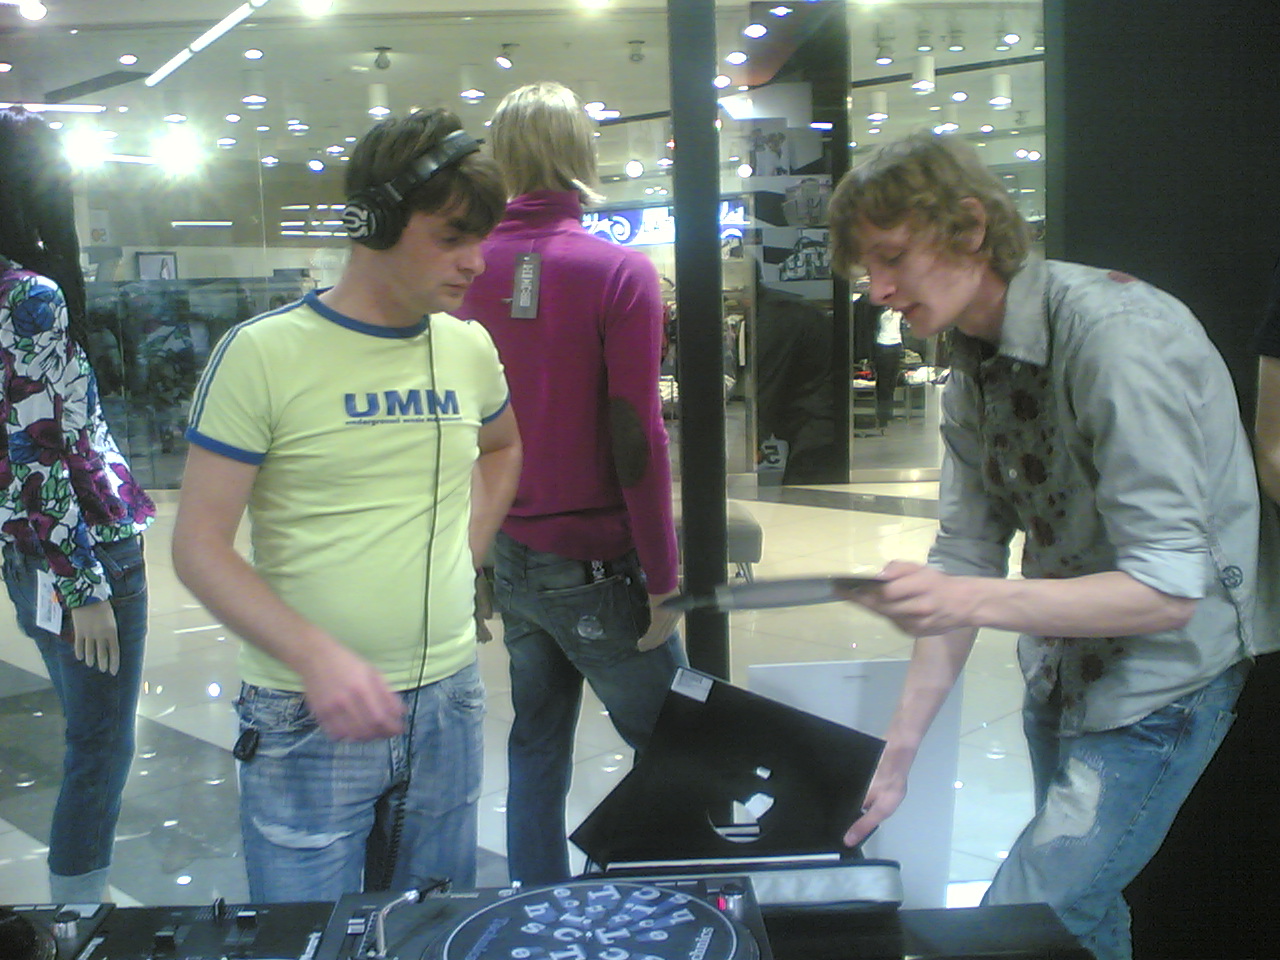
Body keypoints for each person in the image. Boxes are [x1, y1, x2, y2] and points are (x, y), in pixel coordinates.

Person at [826, 131, 1268, 960]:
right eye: (867, 268)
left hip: (1165, 686)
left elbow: (1169, 590)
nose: (879, 290)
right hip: (1065, 670)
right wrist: (898, 752)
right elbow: (964, 552)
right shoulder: (971, 363)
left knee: (1018, 926)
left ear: (969, 226)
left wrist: (965, 597)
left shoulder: (1116, 334)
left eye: (893, 257)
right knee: (1081, 921)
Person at [171, 108, 522, 902]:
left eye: (480, 239)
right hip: (305, 715)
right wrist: (315, 656)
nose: (475, 262)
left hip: (449, 699)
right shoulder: (262, 354)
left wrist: (465, 553)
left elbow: (504, 448)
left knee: (431, 930)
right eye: (451, 237)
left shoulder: (467, 346)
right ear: (374, 224)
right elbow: (198, 546)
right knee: (307, 937)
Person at [459, 81, 683, 886]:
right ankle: (661, 907)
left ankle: (537, 901)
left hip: (511, 552)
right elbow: (636, 435)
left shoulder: (465, 273)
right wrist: (664, 575)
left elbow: (452, 433)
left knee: (536, 740)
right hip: (597, 560)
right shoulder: (619, 273)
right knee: (679, 747)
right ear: (582, 152)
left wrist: (471, 556)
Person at [0, 106, 155, 903]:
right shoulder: (30, 296)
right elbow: (39, 453)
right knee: (99, 747)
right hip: (82, 551)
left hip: (26, 550)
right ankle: (78, 919)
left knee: (91, 738)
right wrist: (85, 585)